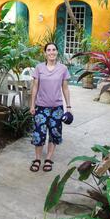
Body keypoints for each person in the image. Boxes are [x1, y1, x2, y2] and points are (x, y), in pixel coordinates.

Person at [29, 42, 72, 172]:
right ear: (45, 53)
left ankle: (48, 159)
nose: (51, 52)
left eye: (54, 50)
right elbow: (35, 87)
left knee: (54, 134)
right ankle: (37, 159)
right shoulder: (39, 68)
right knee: (39, 134)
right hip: (41, 107)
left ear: (57, 52)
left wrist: (68, 107)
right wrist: (32, 104)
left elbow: (65, 88)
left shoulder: (63, 69)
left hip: (57, 109)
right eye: (49, 50)